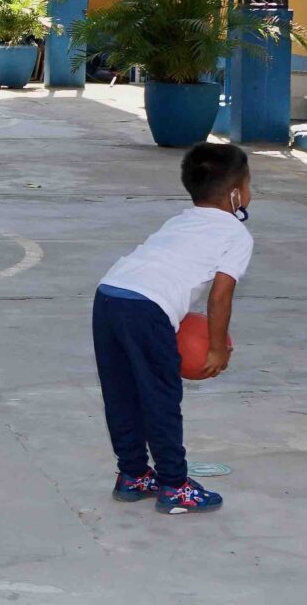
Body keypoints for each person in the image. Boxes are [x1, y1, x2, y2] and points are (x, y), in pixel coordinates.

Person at [92, 141, 251, 515]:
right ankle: (175, 485)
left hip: (109, 296)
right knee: (161, 398)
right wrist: (215, 347)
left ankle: (132, 474)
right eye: (248, 184)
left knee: (122, 394)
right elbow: (220, 297)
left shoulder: (179, 220)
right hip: (147, 308)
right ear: (234, 194)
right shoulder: (235, 235)